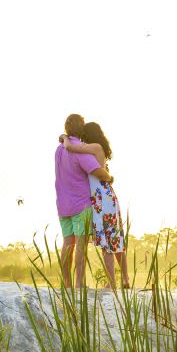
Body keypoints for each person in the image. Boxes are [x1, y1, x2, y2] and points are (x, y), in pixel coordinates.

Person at [61, 121, 130, 289]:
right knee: (114, 239)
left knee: (108, 241)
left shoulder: (95, 147)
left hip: (102, 199)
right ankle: (125, 279)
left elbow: (71, 147)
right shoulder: (96, 148)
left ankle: (113, 282)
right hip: (104, 198)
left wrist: (64, 137)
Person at [55, 113, 112, 288]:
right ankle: (79, 283)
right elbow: (99, 172)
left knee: (67, 243)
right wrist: (110, 177)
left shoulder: (59, 150)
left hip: (63, 204)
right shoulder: (79, 149)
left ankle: (66, 283)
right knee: (80, 244)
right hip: (81, 204)